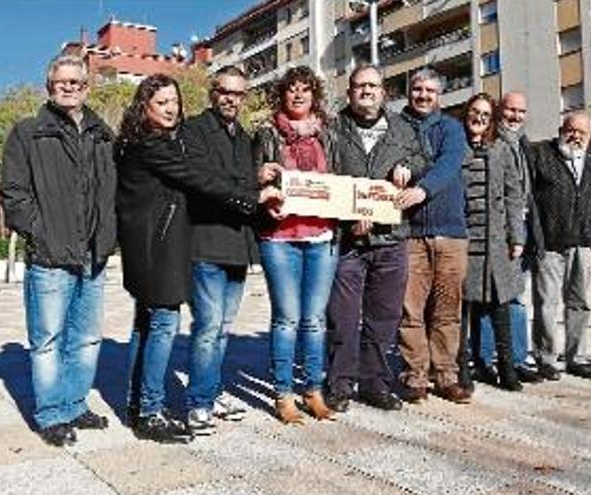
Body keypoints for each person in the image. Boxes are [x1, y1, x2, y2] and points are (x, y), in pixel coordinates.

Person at [117, 74, 279, 443]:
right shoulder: (152, 146)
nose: (171, 108)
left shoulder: (154, 141)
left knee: (148, 327)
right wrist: (254, 196)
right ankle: (151, 412)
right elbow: (200, 179)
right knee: (161, 327)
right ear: (145, 106)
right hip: (157, 248)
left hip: (155, 245)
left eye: (174, 101)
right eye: (162, 103)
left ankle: (138, 403)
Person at [0, 54, 118, 447]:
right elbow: (14, 193)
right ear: (49, 85)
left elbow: (114, 193)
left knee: (86, 338)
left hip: (93, 255)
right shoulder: (28, 132)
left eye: (77, 82)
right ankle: (51, 413)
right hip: (50, 255)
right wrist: (39, 231)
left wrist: (109, 235)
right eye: (61, 81)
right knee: (48, 338)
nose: (69, 87)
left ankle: (75, 403)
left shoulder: (103, 135)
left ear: (87, 87)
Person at [324, 65, 426, 413]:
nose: (366, 91)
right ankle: (339, 384)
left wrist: (410, 169)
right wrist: (349, 217)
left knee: (384, 317)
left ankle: (375, 384)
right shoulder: (333, 129)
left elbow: (422, 159)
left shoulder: (403, 128)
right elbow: (324, 181)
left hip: (392, 238)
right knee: (343, 318)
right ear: (350, 92)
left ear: (384, 92)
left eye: (373, 85)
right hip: (348, 241)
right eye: (359, 86)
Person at [253, 66, 339, 424]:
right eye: (292, 90)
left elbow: (342, 177)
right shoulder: (267, 133)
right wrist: (260, 182)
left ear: (314, 95)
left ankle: (314, 390)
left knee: (315, 320)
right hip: (280, 238)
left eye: (305, 89)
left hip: (321, 237)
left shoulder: (329, 133)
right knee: (287, 318)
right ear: (282, 95)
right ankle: (283, 394)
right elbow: (251, 177)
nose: (299, 95)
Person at [181, 66, 257, 435]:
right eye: (225, 91)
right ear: (214, 93)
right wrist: (249, 192)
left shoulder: (245, 137)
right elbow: (204, 182)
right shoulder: (194, 129)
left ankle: (212, 391)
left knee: (224, 328)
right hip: (206, 243)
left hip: (237, 247)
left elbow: (246, 181)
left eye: (238, 93)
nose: (231, 99)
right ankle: (198, 402)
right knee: (208, 327)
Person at [395, 69, 471, 404]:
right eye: (417, 89)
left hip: (450, 233)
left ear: (439, 94)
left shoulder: (452, 129)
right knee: (409, 309)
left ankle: (446, 375)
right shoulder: (396, 127)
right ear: (409, 92)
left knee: (447, 309)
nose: (423, 95)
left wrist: (421, 189)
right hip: (410, 233)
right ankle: (415, 375)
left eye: (429, 90)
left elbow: (449, 165)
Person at [472, 92, 543, 384]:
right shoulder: (492, 143)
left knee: (514, 297)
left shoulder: (522, 143)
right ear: (499, 110)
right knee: (492, 297)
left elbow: (525, 192)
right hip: (496, 232)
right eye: (510, 110)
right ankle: (487, 358)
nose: (515, 116)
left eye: (521, 111)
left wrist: (524, 234)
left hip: (520, 230)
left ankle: (515, 357)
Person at [530, 111, 591, 381]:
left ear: (589, 136)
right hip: (549, 244)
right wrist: (536, 238)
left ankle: (577, 358)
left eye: (582, 133)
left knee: (579, 304)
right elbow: (531, 201)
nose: (575, 136)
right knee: (547, 303)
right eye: (571, 130)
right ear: (562, 128)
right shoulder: (542, 155)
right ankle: (546, 358)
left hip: (583, 244)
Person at [458, 93, 525, 392]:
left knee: (501, 306)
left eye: (486, 114)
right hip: (463, 239)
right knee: (463, 309)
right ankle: (463, 367)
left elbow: (513, 195)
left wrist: (517, 236)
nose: (479, 118)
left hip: (496, 241)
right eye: (475, 112)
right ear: (466, 114)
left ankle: (507, 367)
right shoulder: (454, 146)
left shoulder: (501, 149)